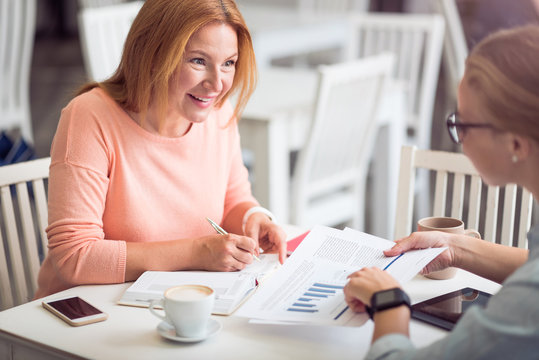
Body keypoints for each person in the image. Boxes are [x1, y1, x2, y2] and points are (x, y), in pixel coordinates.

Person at [35, 0, 286, 299]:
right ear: (153, 55)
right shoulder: (90, 116)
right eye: (198, 61)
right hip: (88, 312)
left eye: (228, 63)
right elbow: (74, 256)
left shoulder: (217, 112)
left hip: (173, 300)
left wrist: (253, 219)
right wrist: (196, 252)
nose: (217, 84)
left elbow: (232, 200)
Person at [343, 25, 539, 359]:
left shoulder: (526, 307)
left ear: (516, 144)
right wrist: (455, 249)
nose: (457, 135)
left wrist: (390, 301)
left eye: (463, 124)